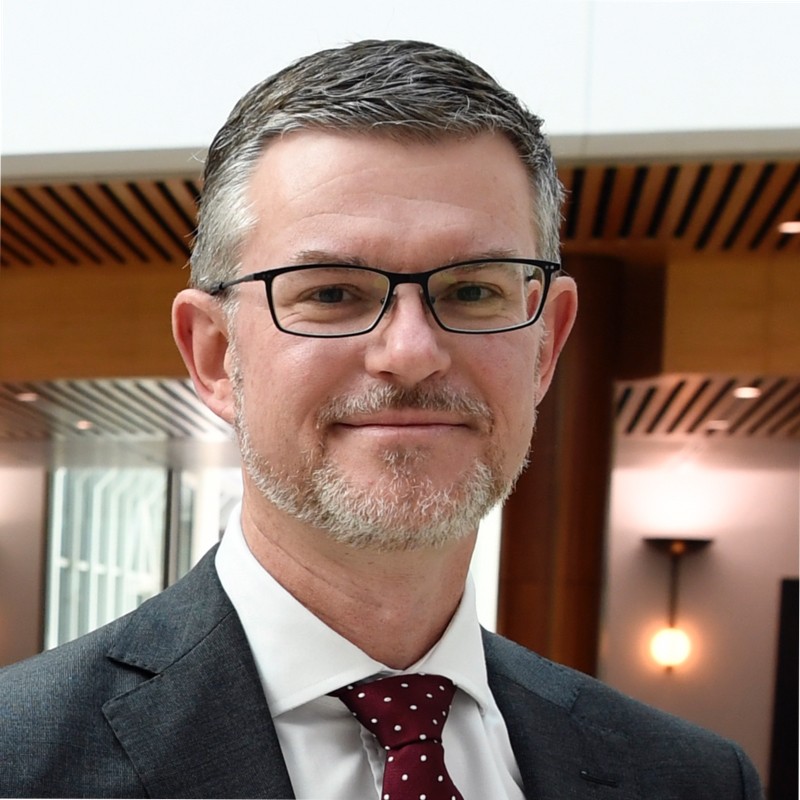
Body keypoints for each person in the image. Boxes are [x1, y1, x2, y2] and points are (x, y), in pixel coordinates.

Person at [1, 39, 762, 799]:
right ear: (213, 353)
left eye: (472, 291)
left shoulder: (692, 778)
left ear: (546, 345)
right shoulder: (20, 758)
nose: (411, 352)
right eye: (332, 292)